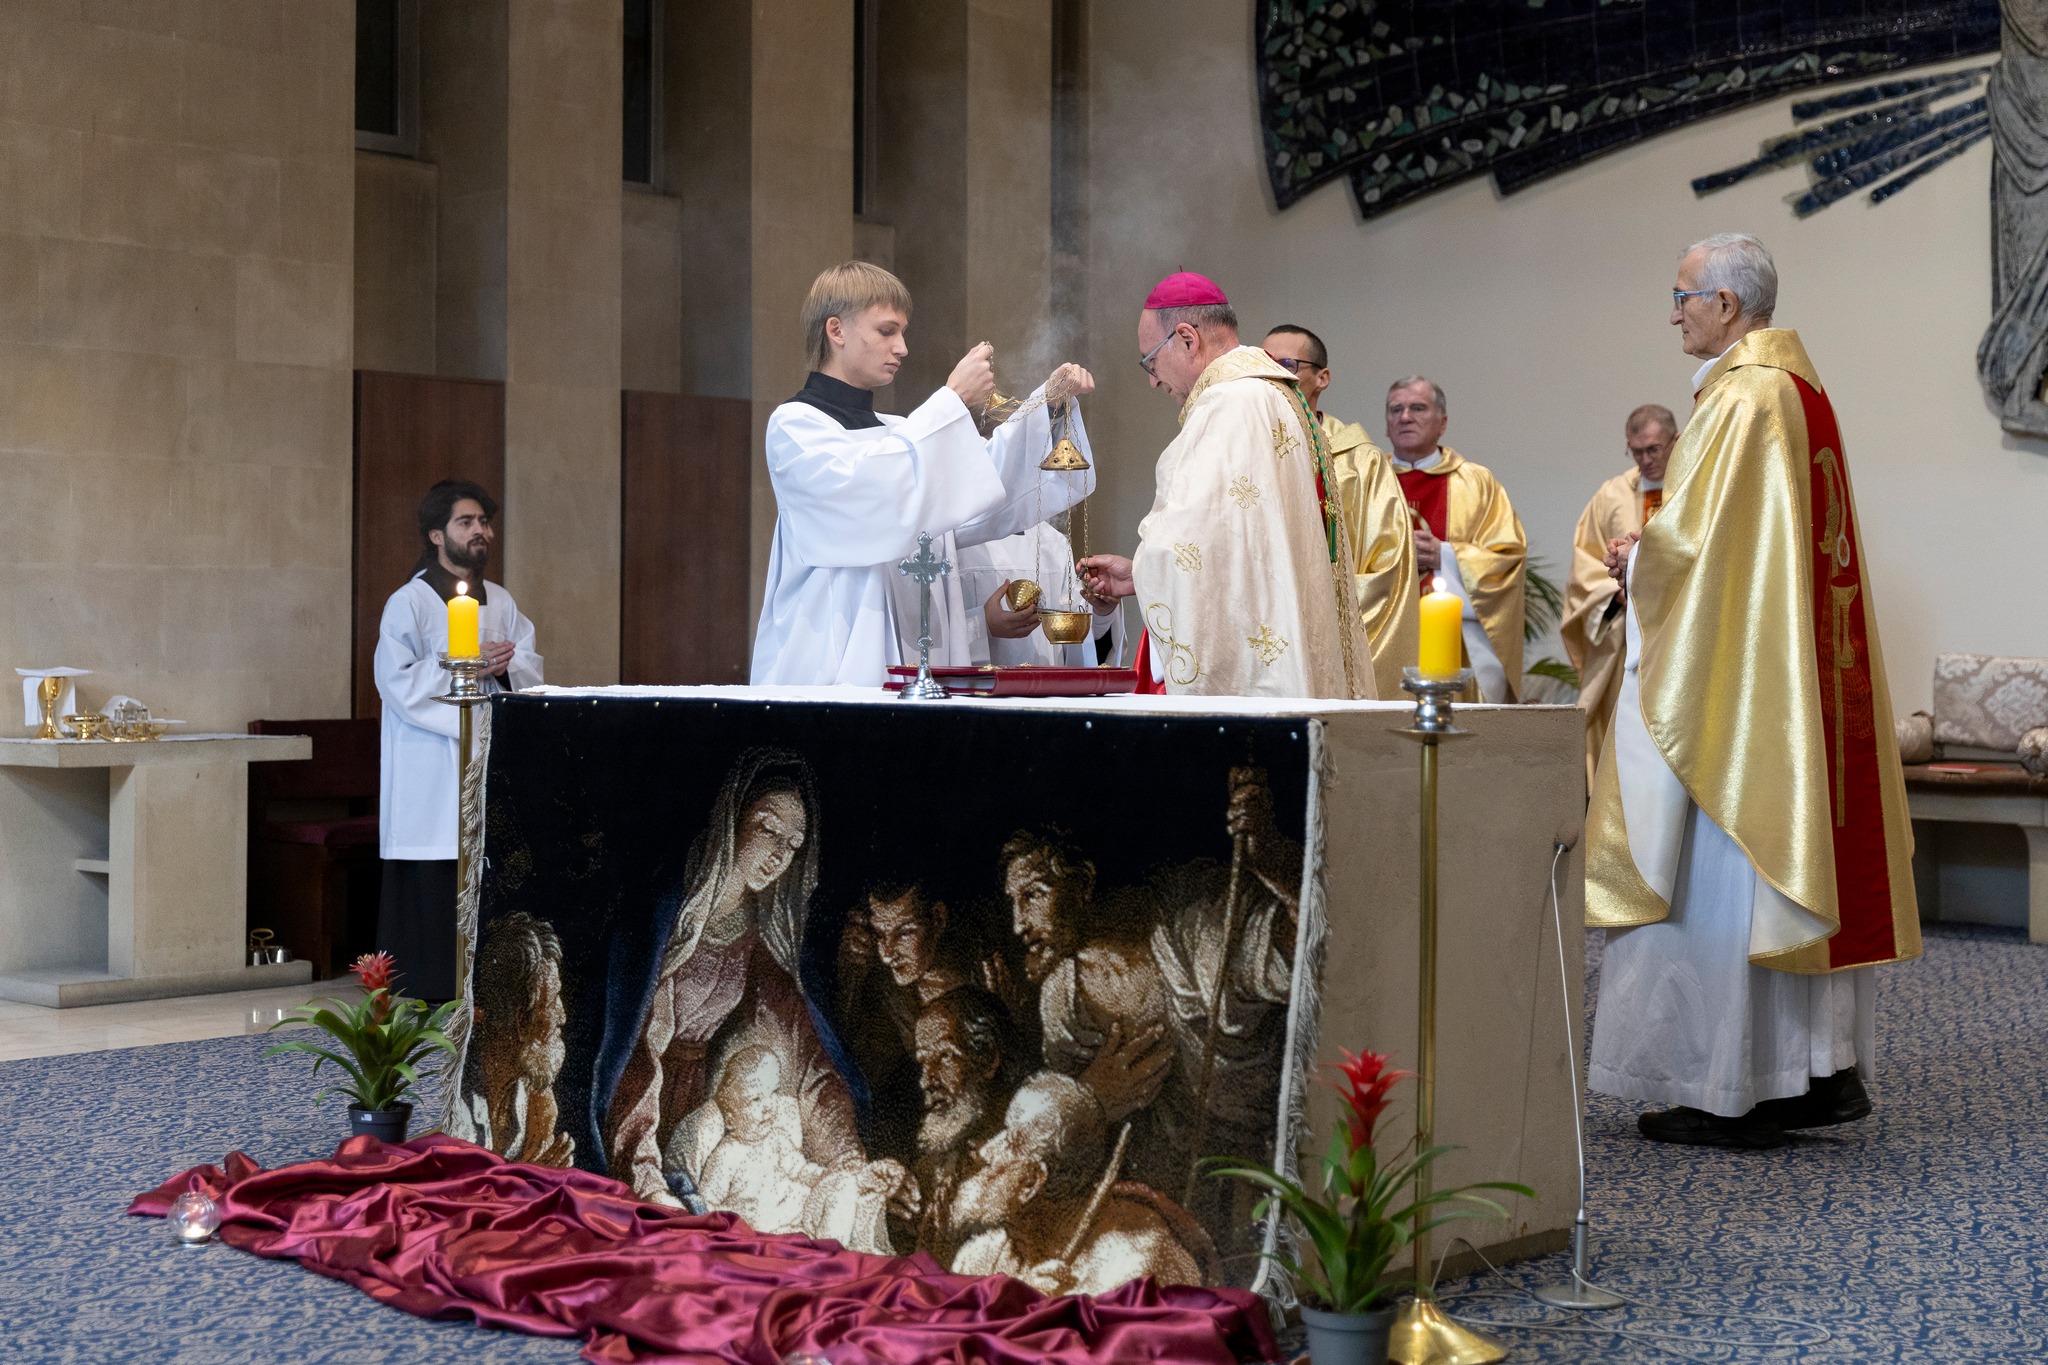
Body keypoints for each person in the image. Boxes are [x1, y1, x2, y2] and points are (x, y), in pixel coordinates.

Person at [1586, 232, 1920, 1149]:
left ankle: (1729, 1086)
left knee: (1726, 878)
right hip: (1789, 676)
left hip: (1737, 695)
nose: (1674, 314)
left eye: (1683, 295)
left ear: (1726, 305)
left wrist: (1637, 558)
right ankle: (1813, 1072)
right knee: (1784, 874)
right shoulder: (1798, 390)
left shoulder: (1742, 398)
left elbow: (1696, 551)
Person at [751, 261, 1099, 685]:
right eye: (886, 331)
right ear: (836, 331)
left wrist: (1046, 406)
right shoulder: (795, 427)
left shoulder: (900, 431)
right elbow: (872, 500)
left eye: (903, 333)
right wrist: (952, 400)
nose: (901, 348)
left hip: (920, 663)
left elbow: (986, 485)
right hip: (832, 669)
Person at [1078, 272, 1365, 699]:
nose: (1152, 380)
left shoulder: (1230, 404)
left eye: (1150, 362)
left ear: (1187, 339)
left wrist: (1148, 565)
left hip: (1254, 684)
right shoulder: (1279, 396)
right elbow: (1237, 547)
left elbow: (1185, 543)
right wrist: (1139, 573)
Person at [606, 751, 869, 1207]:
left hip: (702, 1108)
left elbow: (800, 1048)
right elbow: (641, 1048)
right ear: (733, 818)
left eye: (792, 844)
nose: (778, 855)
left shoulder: (761, 932)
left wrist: (844, 1158)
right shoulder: (670, 914)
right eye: (768, 829)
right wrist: (645, 1175)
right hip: (636, 1101)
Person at [373, 480, 542, 1001]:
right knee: (436, 863)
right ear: (436, 534)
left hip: (486, 752)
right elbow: (396, 679)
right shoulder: (410, 601)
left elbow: (529, 668)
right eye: (465, 522)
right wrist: (464, 667)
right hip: (429, 760)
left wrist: (506, 667)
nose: (479, 531)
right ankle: (430, 985)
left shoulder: (503, 601)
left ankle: (487, 986)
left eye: (483, 522)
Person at [948, 1073, 1215, 1296]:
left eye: (1010, 1142)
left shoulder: (1134, 1272)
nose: (986, 1151)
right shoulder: (979, 1258)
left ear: (1032, 1182)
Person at [1262, 325, 1418, 698]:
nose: (1273, 378)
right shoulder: (1250, 453)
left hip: (1331, 642)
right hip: (1267, 641)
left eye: (1286, 365)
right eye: (1263, 366)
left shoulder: (1360, 462)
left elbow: (1388, 568)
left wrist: (1314, 613)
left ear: (1322, 378)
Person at [1383, 377, 1526, 701]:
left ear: (1442, 423)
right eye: (1395, 409)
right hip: (1385, 637)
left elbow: (1508, 557)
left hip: (1461, 643)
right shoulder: (1369, 481)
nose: (1405, 417)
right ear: (1387, 425)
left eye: (1418, 408)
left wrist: (1444, 556)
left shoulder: (1476, 482)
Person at [1561, 404, 1678, 789]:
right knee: (1622, 741)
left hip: (1681, 635)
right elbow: (1585, 566)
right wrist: (1618, 591)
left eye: (1654, 449)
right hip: (1624, 640)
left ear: (1676, 441)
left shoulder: (1694, 488)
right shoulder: (1611, 495)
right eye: (1636, 451)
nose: (1645, 460)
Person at [458, 911, 573, 1166]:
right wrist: (531, 1175)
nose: (563, 1016)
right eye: (553, 1002)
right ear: (521, 1021)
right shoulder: (458, 1106)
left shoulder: (531, 1098)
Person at [953, 522, 1124, 667]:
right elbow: (939, 634)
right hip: (976, 689)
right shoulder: (953, 536)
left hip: (1046, 687)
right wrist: (982, 625)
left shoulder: (1053, 542)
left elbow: (1081, 636)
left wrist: (1102, 611)